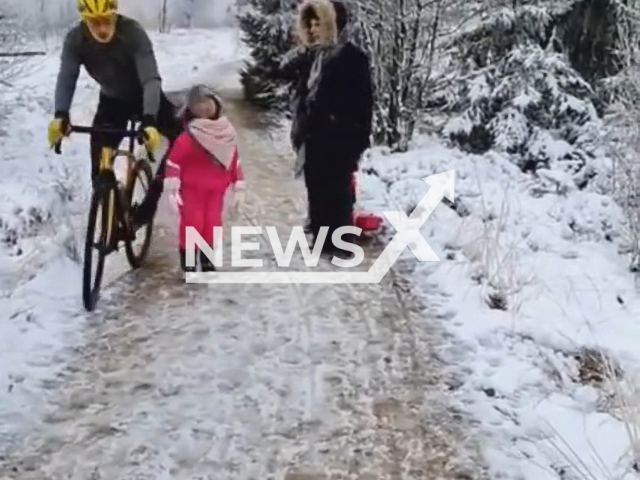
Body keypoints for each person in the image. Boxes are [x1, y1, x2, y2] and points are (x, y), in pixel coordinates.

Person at [46, 0, 182, 228]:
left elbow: (151, 79)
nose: (101, 28)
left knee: (181, 140)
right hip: (112, 101)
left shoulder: (133, 33)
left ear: (114, 15)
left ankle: (147, 210)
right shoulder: (75, 40)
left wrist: (149, 119)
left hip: (146, 98)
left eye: (106, 21)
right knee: (98, 157)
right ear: (84, 20)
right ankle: (106, 201)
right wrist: (61, 114)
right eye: (93, 22)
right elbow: (67, 77)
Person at [293, 0, 373, 257]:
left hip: (341, 138)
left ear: (334, 24)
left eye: (320, 24)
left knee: (338, 192)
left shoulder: (352, 57)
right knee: (316, 189)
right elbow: (302, 94)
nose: (315, 30)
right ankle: (320, 240)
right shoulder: (311, 56)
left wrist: (358, 139)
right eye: (311, 24)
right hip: (313, 135)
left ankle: (340, 244)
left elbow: (364, 102)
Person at [164, 85, 245, 272]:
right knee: (192, 224)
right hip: (192, 189)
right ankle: (190, 262)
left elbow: (234, 159)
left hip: (216, 190)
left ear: (216, 103)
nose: (204, 107)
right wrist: (172, 186)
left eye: (207, 101)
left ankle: (207, 260)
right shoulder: (189, 137)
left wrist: (238, 183)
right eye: (197, 104)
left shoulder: (226, 133)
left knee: (212, 224)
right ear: (190, 109)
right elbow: (174, 161)